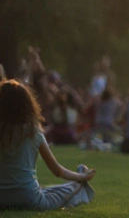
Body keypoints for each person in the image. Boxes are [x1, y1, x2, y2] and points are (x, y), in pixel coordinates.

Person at [0, 80, 96, 210]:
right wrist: (83, 177)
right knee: (70, 188)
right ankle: (80, 176)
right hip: (30, 199)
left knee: (45, 190)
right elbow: (58, 171)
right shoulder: (33, 132)